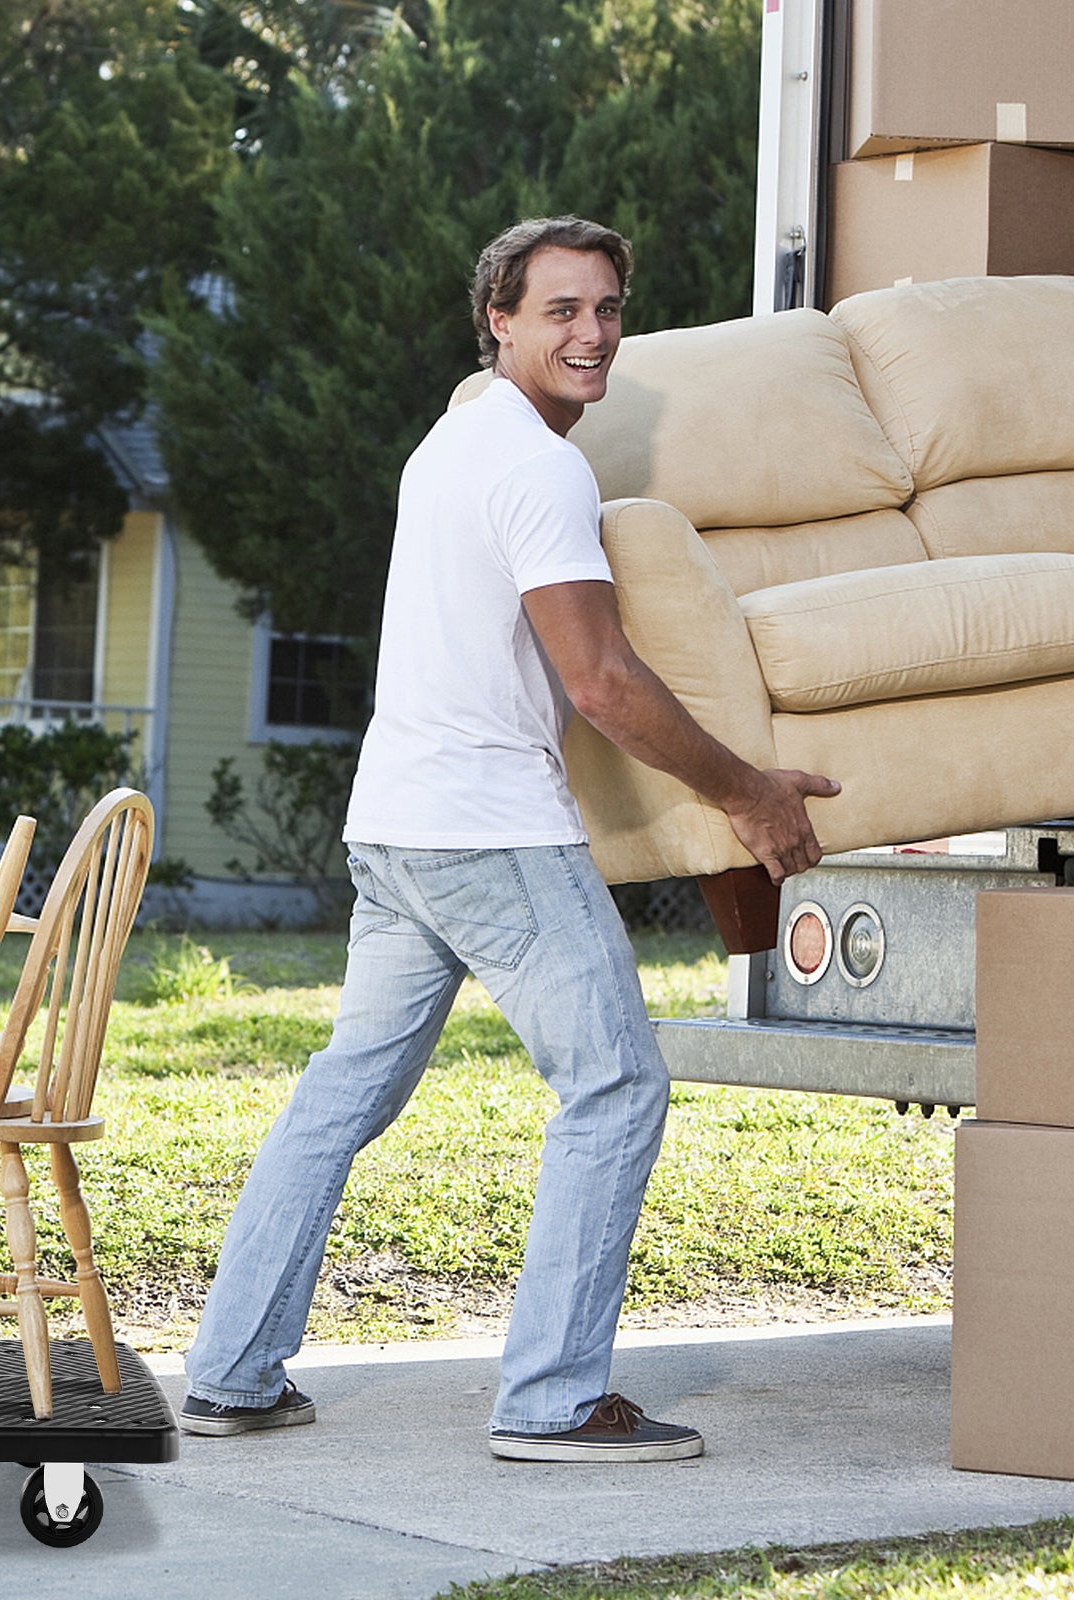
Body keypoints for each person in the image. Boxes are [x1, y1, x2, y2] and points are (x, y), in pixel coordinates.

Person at [179, 215, 839, 1462]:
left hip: (394, 826)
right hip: (487, 832)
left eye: (605, 309)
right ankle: (550, 1398)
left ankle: (231, 1372)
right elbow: (600, 679)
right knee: (617, 1083)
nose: (590, 334)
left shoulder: (453, 440)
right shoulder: (538, 468)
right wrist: (748, 791)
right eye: (560, 312)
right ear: (498, 318)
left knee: (339, 1096)